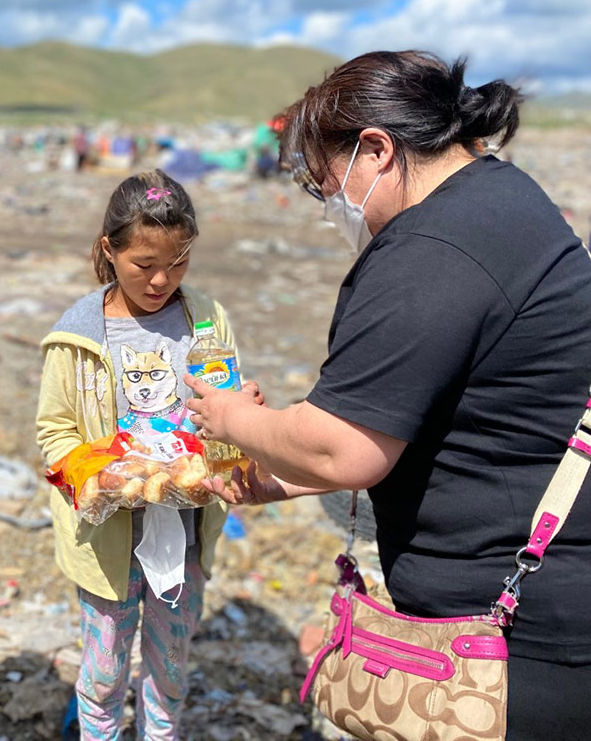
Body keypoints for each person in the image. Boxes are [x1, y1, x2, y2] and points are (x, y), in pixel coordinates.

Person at [185, 51, 591, 738]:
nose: (331, 208)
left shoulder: (432, 247)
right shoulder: (503, 199)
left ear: (375, 149)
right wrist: (280, 479)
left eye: (326, 185)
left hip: (514, 639)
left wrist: (230, 417)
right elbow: (443, 412)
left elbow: (344, 448)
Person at [37, 169, 257, 740]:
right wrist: (100, 474)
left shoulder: (205, 320)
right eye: (144, 266)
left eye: (179, 263)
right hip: (105, 541)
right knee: (104, 671)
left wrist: (242, 424)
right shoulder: (78, 337)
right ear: (110, 252)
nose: (162, 280)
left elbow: (225, 412)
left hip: (185, 529)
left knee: (171, 666)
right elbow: (56, 431)